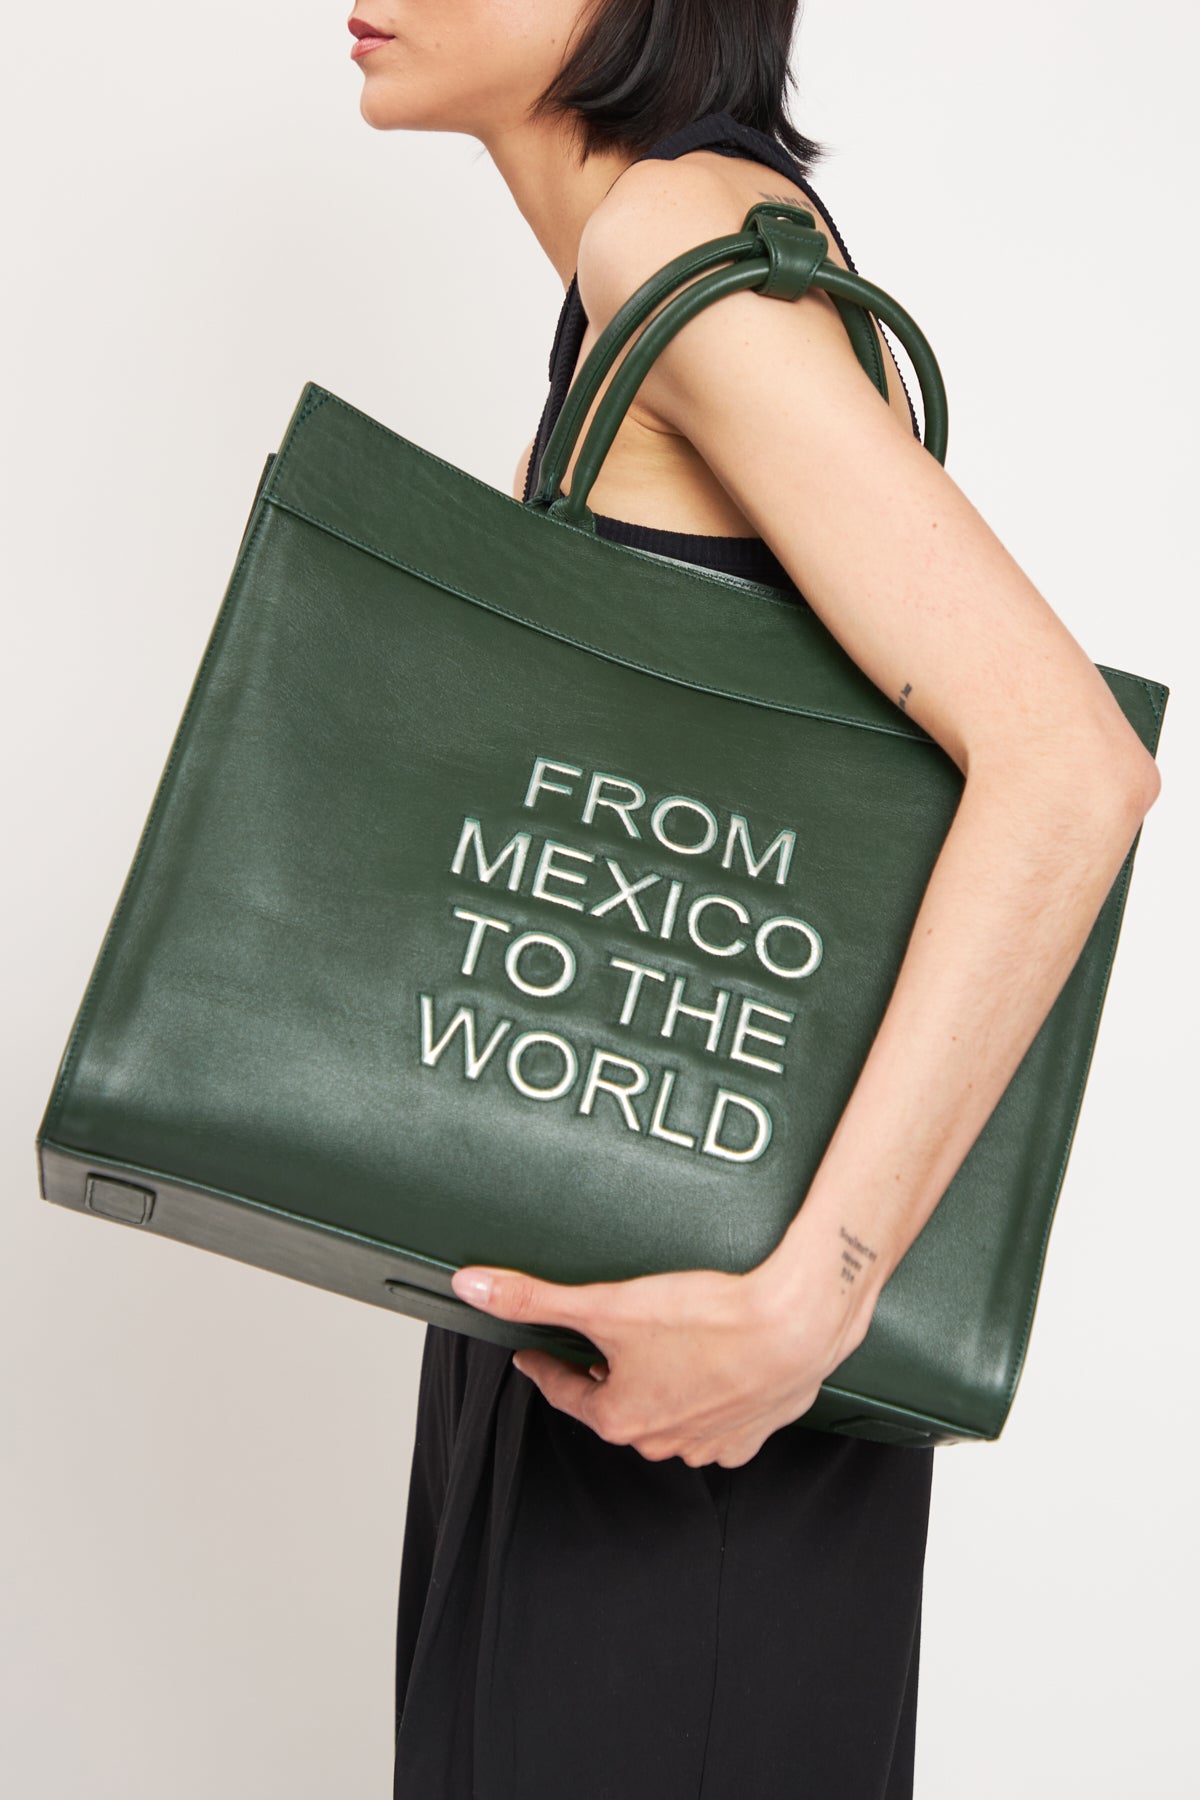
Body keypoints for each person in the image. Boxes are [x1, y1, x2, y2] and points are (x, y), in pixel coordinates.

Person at [347, 4, 1162, 1796]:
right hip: (623, 1314)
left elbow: (1071, 765)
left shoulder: (680, 236)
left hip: (704, 1370)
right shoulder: (657, 254)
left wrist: (814, 1300)